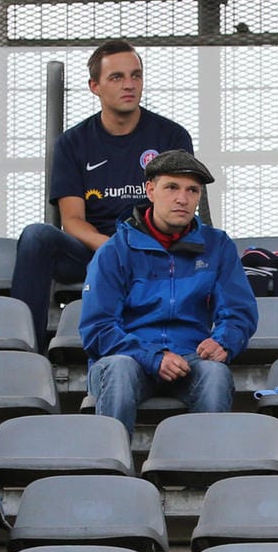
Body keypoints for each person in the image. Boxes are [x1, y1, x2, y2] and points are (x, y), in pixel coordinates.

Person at [11, 40, 194, 347]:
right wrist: (113, 248)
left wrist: (138, 247)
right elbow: (72, 221)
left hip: (153, 250)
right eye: (117, 77)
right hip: (95, 251)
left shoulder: (171, 136)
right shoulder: (73, 142)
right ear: (94, 86)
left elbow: (180, 208)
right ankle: (26, 348)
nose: (129, 85)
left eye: (136, 76)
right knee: (36, 237)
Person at [79, 149, 257, 423]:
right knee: (119, 370)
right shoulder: (114, 250)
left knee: (215, 373)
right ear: (150, 190)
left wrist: (224, 342)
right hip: (128, 357)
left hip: (190, 357)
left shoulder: (217, 245)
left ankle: (208, 464)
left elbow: (238, 311)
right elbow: (98, 329)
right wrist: (152, 356)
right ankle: (112, 462)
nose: (182, 199)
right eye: (171, 187)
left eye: (192, 190)